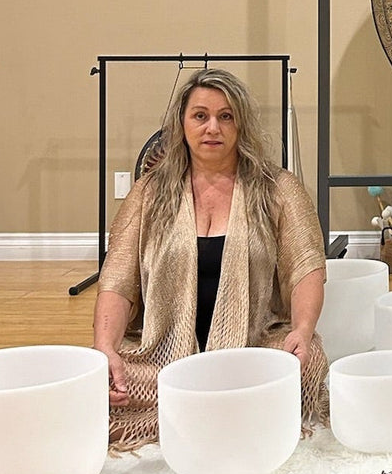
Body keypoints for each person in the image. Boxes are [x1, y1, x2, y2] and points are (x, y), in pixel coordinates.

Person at [93, 68, 329, 451]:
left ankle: (193, 410)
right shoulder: (148, 193)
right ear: (181, 124)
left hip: (252, 352)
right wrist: (105, 347)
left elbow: (306, 269)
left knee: (309, 359)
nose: (212, 128)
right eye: (200, 116)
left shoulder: (279, 188)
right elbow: (118, 280)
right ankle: (231, 410)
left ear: (241, 125)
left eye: (226, 116)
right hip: (162, 363)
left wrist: (301, 330)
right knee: (101, 379)